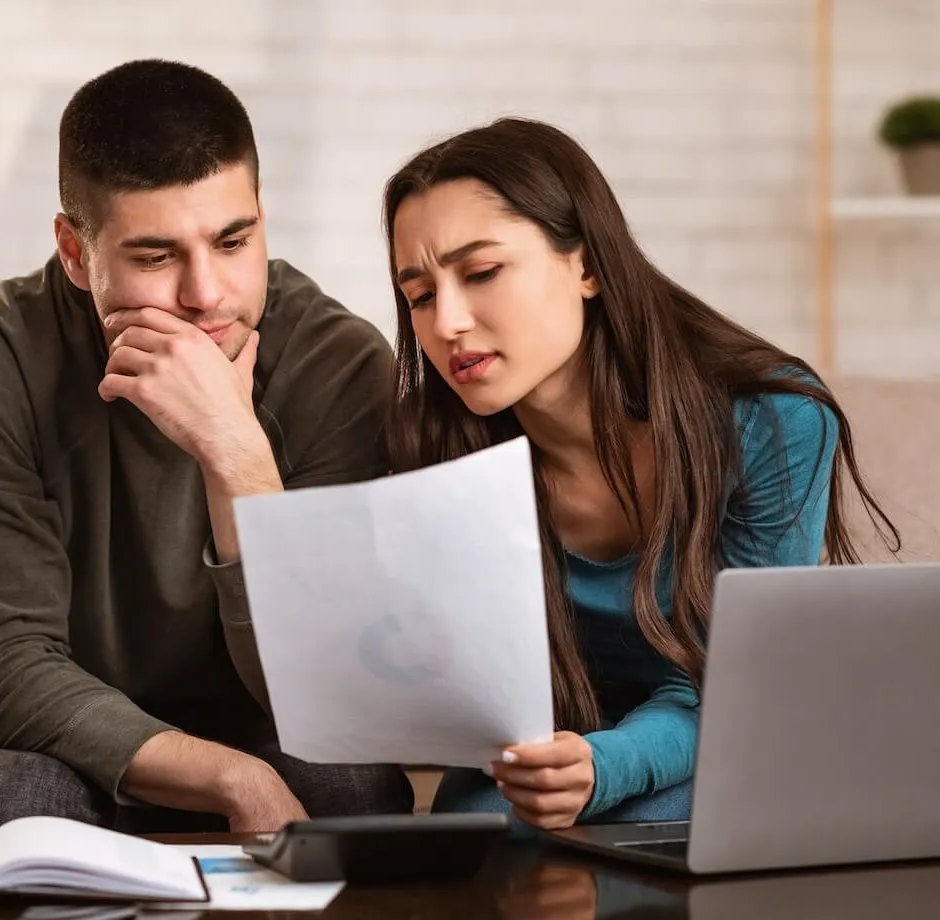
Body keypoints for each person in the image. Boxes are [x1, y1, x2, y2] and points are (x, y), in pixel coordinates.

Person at [0, 58, 413, 839]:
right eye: (155, 257)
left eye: (233, 240)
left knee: (352, 792)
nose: (206, 293)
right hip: (56, 734)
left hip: (264, 718)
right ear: (77, 253)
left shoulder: (339, 362)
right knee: (15, 808)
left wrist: (234, 453)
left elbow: (319, 692)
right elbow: (8, 669)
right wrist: (227, 778)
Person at [379, 117, 897, 828]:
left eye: (481, 272)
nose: (448, 324)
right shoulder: (438, 442)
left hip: (735, 740)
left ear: (586, 265)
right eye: (420, 295)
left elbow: (739, 689)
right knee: (470, 825)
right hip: (558, 757)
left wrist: (608, 764)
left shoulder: (773, 422)